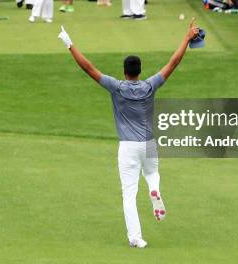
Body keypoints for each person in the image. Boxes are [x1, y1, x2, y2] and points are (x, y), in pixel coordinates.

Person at [56, 21, 200, 248]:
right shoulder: (150, 86)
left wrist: (69, 44)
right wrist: (186, 38)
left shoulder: (117, 87)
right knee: (152, 174)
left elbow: (88, 68)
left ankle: (136, 237)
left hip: (128, 147)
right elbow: (173, 63)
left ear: (125, 72)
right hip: (149, 143)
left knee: (129, 193)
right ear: (139, 71)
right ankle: (154, 189)